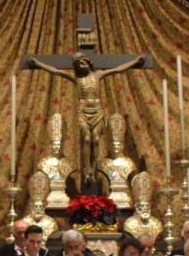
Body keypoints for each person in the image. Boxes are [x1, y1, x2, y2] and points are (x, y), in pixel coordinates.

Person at [27, 52, 145, 186]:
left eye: (83, 62)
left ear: (88, 62)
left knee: (95, 139)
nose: (81, 66)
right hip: (83, 112)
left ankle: (93, 168)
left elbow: (117, 69)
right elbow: (56, 71)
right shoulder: (76, 78)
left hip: (97, 112)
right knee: (87, 138)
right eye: (78, 64)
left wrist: (135, 61)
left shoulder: (98, 75)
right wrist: (38, 63)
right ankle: (87, 168)